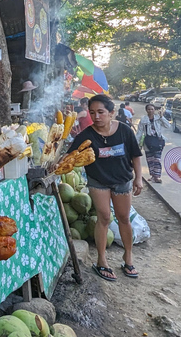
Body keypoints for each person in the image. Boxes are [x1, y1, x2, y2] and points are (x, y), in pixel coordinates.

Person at [68, 94, 143, 281]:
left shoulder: (125, 131)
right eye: (92, 112)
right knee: (104, 218)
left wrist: (138, 179)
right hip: (98, 181)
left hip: (123, 179)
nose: (96, 117)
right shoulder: (86, 135)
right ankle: (102, 261)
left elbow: (136, 156)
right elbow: (70, 155)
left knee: (124, 218)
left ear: (111, 113)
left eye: (101, 112)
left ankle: (128, 256)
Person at [136, 104, 170, 183]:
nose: (150, 111)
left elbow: (168, 126)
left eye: (152, 109)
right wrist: (137, 143)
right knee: (150, 159)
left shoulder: (158, 118)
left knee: (157, 159)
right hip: (148, 142)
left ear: (154, 110)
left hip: (158, 141)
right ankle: (153, 176)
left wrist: (162, 117)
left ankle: (157, 176)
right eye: (149, 109)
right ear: (146, 110)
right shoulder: (143, 120)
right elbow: (139, 132)